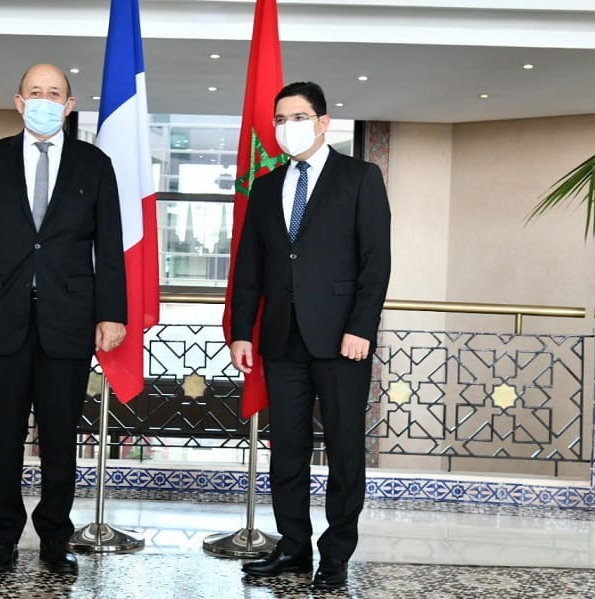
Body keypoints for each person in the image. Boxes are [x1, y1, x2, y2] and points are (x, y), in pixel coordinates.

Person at [0, 63, 127, 575]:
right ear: (19, 101)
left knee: (59, 436)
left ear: (70, 105)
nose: (45, 99)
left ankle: (55, 538)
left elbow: (109, 246)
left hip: (69, 320)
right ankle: (2, 537)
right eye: (36, 92)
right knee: (2, 436)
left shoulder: (94, 165)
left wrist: (111, 313)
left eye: (55, 93)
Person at [229, 81, 390, 590]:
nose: (286, 127)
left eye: (297, 117)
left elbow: (376, 261)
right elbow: (248, 268)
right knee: (288, 451)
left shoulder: (361, 177)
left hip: (343, 341)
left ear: (322, 123)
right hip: (281, 339)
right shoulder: (266, 186)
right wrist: (240, 332)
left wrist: (360, 327)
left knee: (344, 451)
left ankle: (336, 554)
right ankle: (293, 547)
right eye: (280, 119)